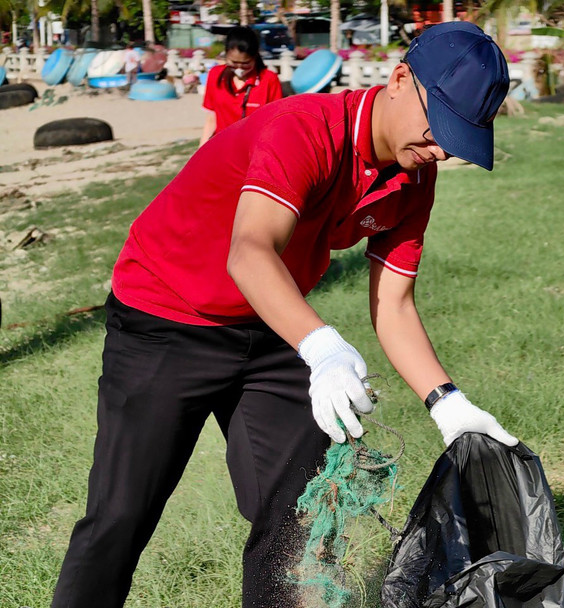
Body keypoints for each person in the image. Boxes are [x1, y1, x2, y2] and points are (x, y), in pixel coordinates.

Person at [51, 21, 518, 608]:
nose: (442, 150)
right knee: (122, 512)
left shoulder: (413, 174)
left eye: (459, 140)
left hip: (269, 325)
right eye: (439, 129)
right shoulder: (304, 128)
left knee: (297, 509)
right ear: (400, 79)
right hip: (165, 317)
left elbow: (393, 303)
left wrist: (449, 405)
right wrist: (321, 346)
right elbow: (249, 252)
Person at [200, 26, 282, 147]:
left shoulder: (269, 79)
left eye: (245, 63)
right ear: (226, 54)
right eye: (234, 62)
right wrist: (200, 151)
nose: (239, 68)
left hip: (256, 147)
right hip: (223, 145)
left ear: (255, 57)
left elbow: (276, 122)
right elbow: (211, 118)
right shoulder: (215, 75)